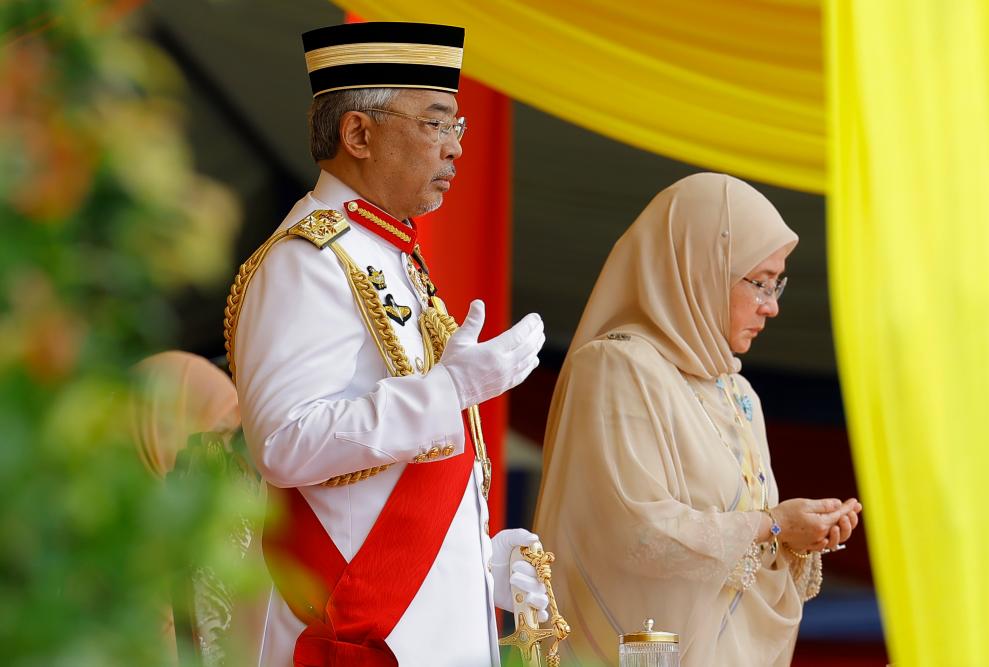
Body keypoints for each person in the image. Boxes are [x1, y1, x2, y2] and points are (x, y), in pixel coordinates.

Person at [225, 21, 549, 667]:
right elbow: (286, 444)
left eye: (458, 127)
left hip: (416, 607)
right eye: (435, 124)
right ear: (359, 134)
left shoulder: (384, 249)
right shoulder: (309, 259)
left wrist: (473, 552)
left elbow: (392, 465)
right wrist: (452, 388)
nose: (455, 148)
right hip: (357, 617)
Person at [533, 173, 862, 666]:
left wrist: (797, 537)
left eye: (779, 285)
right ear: (699, 268)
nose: (771, 307)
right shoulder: (616, 367)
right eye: (760, 282)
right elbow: (632, 534)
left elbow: (744, 551)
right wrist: (771, 525)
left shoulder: (738, 392)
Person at [130, 350, 268, 666]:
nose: (224, 455)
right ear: (156, 432)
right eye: (215, 435)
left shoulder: (235, 537)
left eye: (234, 439)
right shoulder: (106, 564)